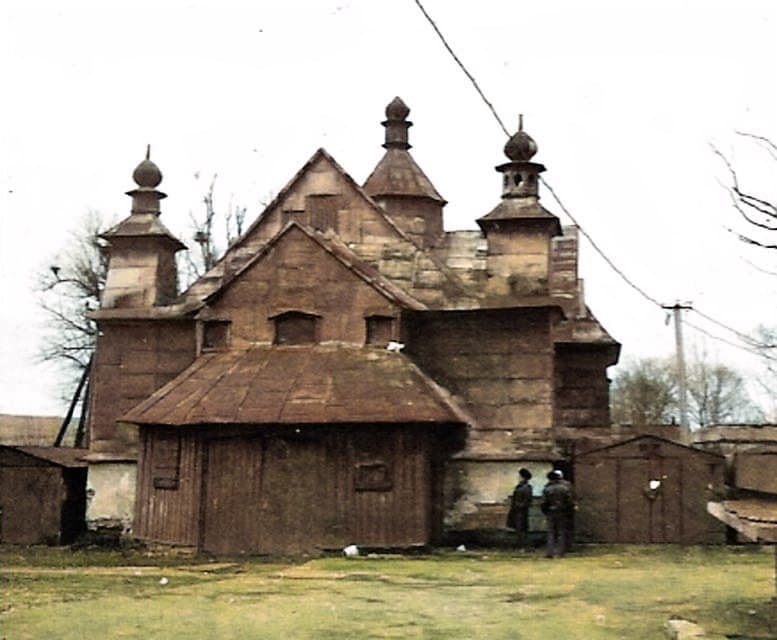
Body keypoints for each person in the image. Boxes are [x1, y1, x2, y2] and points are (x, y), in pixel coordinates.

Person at [541, 469, 573, 558]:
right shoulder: (564, 488)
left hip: (550, 512)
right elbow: (569, 502)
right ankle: (560, 552)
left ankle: (550, 552)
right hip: (562, 512)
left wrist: (545, 511)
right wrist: (567, 510)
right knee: (561, 532)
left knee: (551, 532)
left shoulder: (547, 489)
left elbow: (543, 503)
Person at [506, 468, 532, 544]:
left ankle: (523, 545)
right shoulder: (520, 487)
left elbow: (527, 501)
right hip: (517, 511)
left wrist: (519, 505)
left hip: (521, 511)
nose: (519, 478)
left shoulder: (526, 488)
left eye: (520, 477)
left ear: (524, 478)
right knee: (518, 529)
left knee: (521, 529)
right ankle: (520, 544)